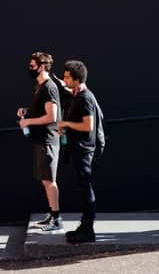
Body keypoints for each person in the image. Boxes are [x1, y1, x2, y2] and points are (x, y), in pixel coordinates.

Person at [16, 52, 63, 232]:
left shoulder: (49, 87)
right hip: (40, 140)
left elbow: (52, 116)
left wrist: (28, 122)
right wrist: (26, 111)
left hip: (48, 140)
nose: (30, 68)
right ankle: (52, 214)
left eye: (32, 65)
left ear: (42, 67)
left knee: (50, 180)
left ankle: (57, 218)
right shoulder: (39, 86)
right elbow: (41, 111)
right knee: (45, 180)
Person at [58, 60, 103, 243]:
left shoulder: (85, 98)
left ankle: (88, 229)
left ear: (77, 79)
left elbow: (88, 126)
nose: (64, 79)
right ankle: (84, 226)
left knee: (86, 188)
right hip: (78, 149)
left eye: (67, 77)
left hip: (84, 151)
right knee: (83, 187)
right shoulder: (77, 95)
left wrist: (67, 124)